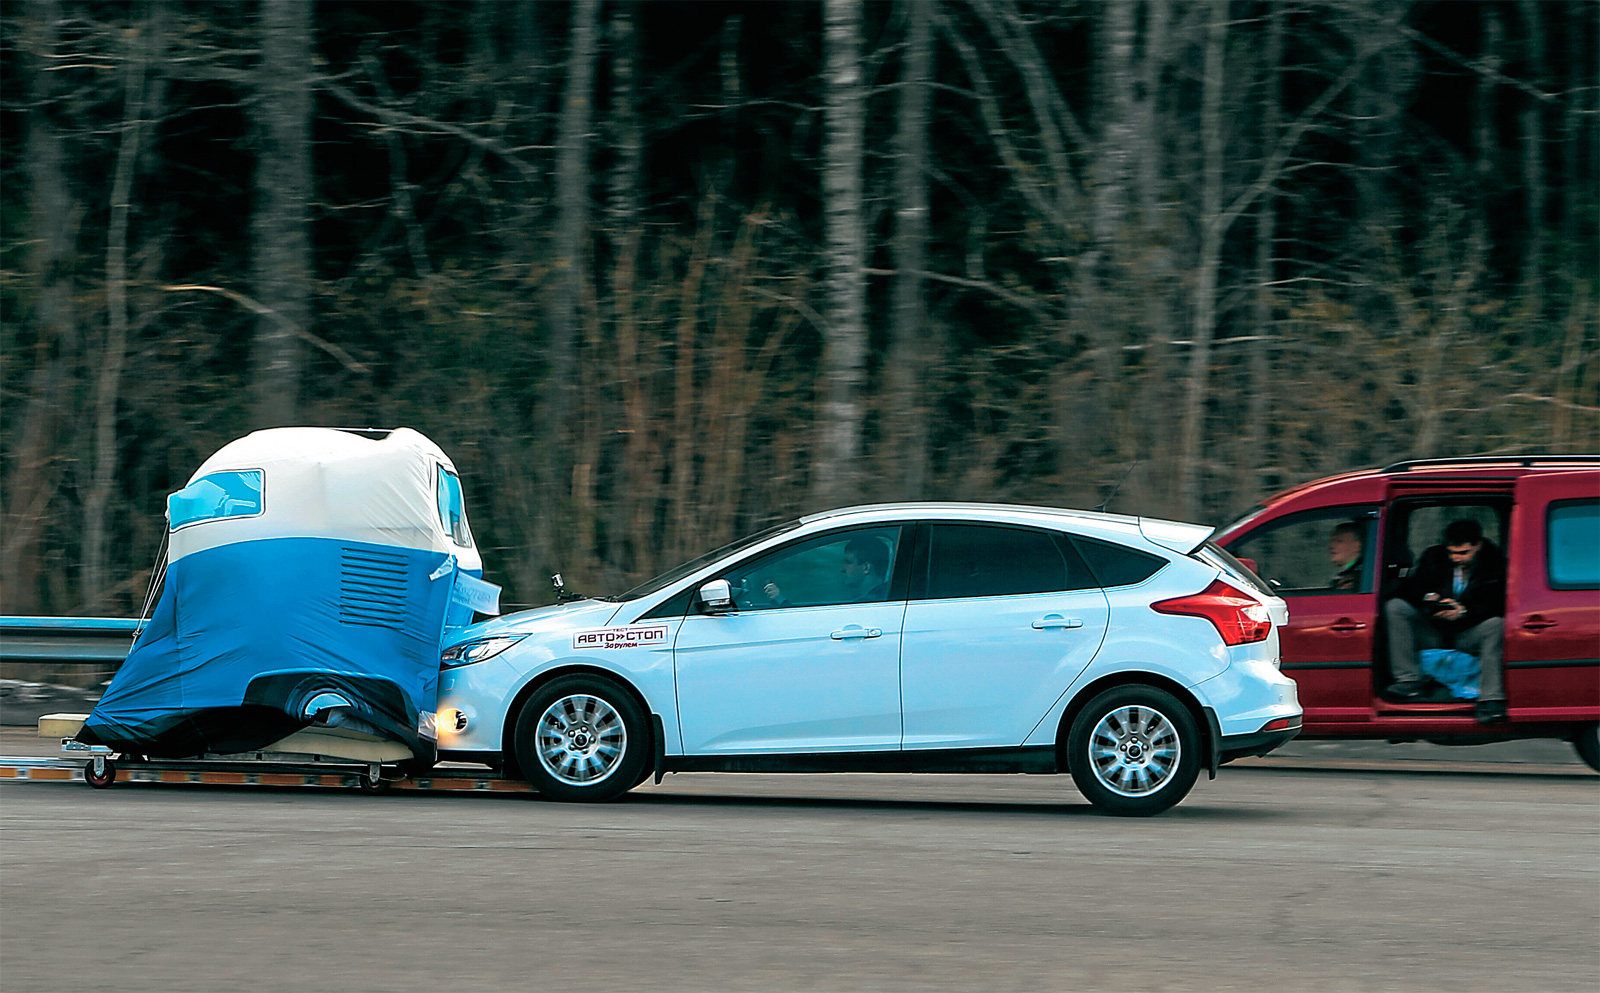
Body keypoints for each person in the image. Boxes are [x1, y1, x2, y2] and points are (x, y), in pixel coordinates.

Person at [1383, 519, 1506, 723]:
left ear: (1478, 546)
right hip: (1434, 630)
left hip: (1469, 633)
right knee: (1395, 607)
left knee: (1496, 625)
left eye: (1463, 552)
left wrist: (1464, 611)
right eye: (1452, 552)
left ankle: (1491, 699)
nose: (1456, 558)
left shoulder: (1495, 564)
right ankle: (1408, 681)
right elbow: (1410, 588)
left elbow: (1499, 603)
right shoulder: (1434, 557)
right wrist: (1429, 598)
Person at [760, 535, 891, 606]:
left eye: (848, 562)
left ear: (866, 568)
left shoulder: (868, 604)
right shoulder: (882, 597)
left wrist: (782, 601)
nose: (842, 568)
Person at [1328, 521, 1365, 591]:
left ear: (1357, 546)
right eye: (1332, 540)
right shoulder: (1346, 577)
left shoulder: (1355, 582)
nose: (1331, 546)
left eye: (1339, 541)